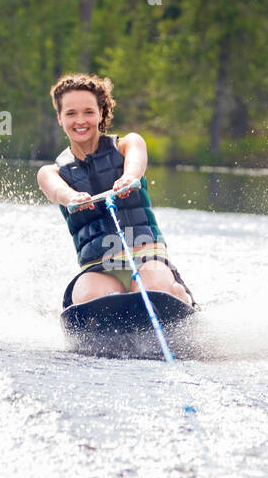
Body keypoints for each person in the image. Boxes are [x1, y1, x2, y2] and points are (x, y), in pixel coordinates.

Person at [37, 73, 195, 309]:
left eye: (88, 112)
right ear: (60, 118)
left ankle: (178, 294)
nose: (80, 120)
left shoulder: (127, 144)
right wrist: (72, 197)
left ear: (101, 112)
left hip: (147, 258)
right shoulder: (51, 172)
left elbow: (136, 161)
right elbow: (56, 190)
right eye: (71, 113)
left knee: (152, 287)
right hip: (99, 268)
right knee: (89, 295)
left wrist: (128, 178)